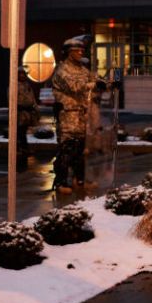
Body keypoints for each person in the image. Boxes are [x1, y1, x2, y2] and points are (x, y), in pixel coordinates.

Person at [51, 36, 103, 193]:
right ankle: (61, 182)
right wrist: (94, 85)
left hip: (82, 116)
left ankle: (79, 179)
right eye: (77, 50)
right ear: (69, 52)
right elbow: (75, 87)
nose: (81, 52)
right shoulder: (62, 70)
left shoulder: (83, 69)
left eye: (82, 50)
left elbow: (95, 80)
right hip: (68, 116)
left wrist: (108, 83)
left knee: (80, 150)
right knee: (67, 149)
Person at [11, 66, 40, 153]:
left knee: (23, 130)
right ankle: (20, 148)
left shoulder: (27, 85)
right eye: (20, 74)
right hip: (19, 112)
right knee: (19, 131)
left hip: (27, 112)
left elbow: (32, 98)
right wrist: (18, 107)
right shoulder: (14, 85)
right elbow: (11, 99)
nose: (22, 76)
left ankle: (24, 147)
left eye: (24, 74)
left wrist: (35, 109)